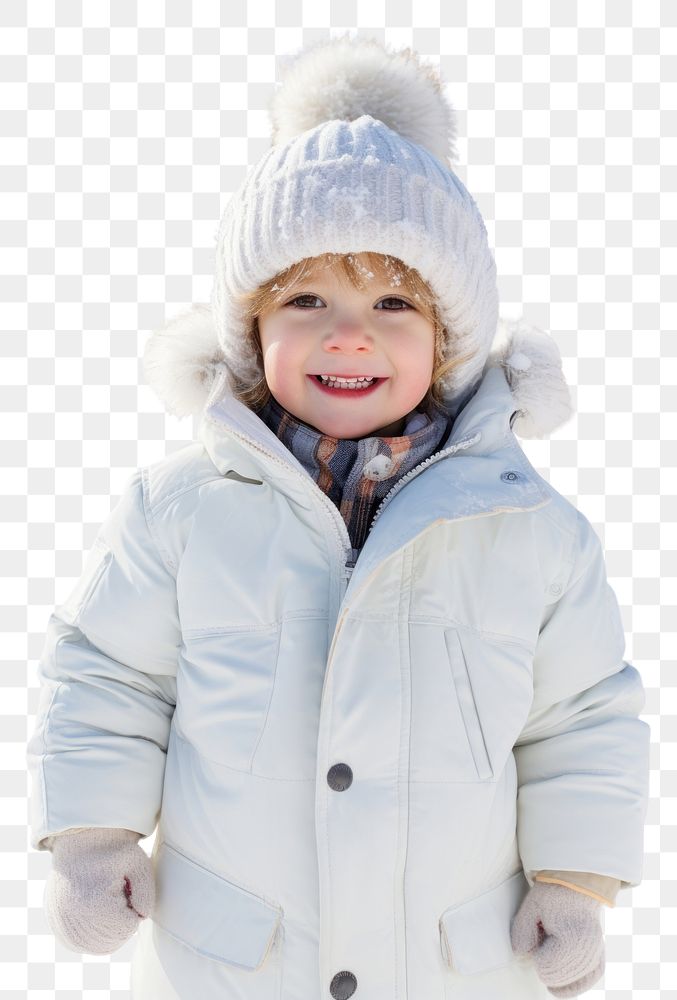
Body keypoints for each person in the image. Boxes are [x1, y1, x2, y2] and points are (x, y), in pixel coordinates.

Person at [26, 34, 649, 1000]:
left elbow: (579, 718)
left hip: (451, 969)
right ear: (252, 332)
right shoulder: (184, 512)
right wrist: (93, 835)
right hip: (233, 966)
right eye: (306, 298)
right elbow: (107, 676)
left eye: (394, 301)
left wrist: (573, 881)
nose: (348, 332)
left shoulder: (529, 531)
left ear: (447, 341)